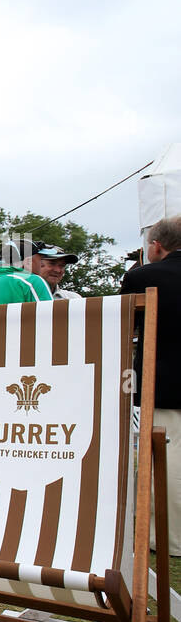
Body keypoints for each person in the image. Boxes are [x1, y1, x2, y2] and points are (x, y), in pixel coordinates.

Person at [120, 215, 181, 555]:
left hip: (166, 383)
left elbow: (122, 326)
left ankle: (167, 538)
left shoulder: (144, 277)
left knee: (165, 460)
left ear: (156, 246)